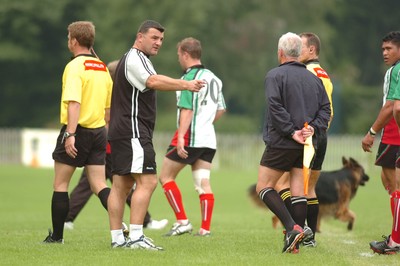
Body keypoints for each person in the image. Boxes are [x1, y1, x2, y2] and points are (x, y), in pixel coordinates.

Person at [107, 20, 204, 250]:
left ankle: (117, 239)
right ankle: (137, 238)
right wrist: (186, 84)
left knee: (121, 184)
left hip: (123, 130)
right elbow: (153, 81)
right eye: (154, 38)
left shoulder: (136, 59)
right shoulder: (135, 58)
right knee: (148, 181)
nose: (158, 43)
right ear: (140, 37)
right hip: (133, 130)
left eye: (161, 39)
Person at [64, 60, 168, 231]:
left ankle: (146, 221)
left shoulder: (111, 91)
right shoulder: (114, 93)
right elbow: (107, 119)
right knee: (115, 185)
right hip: (108, 145)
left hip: (108, 145)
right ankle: (68, 218)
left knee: (119, 186)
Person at [255, 32, 331, 253]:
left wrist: (291, 131)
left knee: (264, 186)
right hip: (306, 143)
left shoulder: (274, 75)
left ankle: (292, 228)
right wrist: (312, 128)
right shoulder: (313, 78)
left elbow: (274, 106)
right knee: (298, 191)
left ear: (280, 53)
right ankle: (295, 246)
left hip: (282, 141)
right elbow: (326, 109)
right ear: (298, 53)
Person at [43, 21, 113, 243]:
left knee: (60, 185)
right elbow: (108, 109)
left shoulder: (74, 67)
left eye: (68, 37)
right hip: (99, 131)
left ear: (73, 40)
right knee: (100, 184)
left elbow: (74, 103)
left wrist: (70, 134)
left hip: (78, 130)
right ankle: (120, 227)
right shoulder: (102, 67)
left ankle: (57, 237)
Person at [159, 37, 226, 237]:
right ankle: (205, 229)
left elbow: (186, 110)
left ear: (186, 54)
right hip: (208, 139)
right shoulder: (215, 78)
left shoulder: (188, 79)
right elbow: (221, 109)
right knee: (202, 182)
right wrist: (205, 123)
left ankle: (182, 221)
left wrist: (181, 137)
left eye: (179, 54)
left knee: (165, 177)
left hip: (190, 136)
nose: (179, 58)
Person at [368, 31, 400, 255]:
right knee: (389, 183)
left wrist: (371, 131)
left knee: (395, 186)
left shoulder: (396, 70)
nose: (385, 53)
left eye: (389, 48)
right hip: (391, 131)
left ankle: (395, 241)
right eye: (383, 49)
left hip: (394, 131)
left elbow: (393, 107)